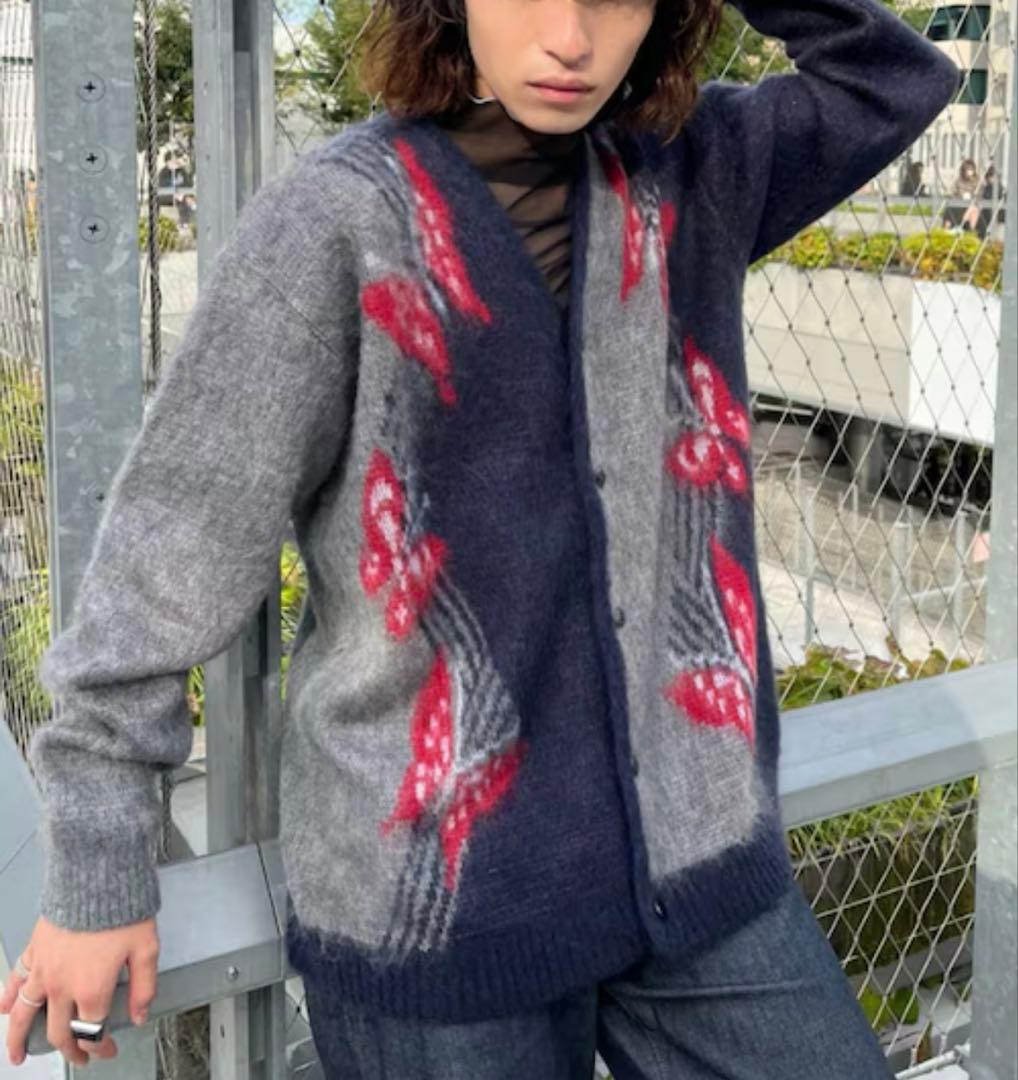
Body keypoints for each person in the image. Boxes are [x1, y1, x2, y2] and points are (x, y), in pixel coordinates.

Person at [2, 0, 960, 1075]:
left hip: (697, 871)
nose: (571, 38)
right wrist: (98, 864)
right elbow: (174, 540)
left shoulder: (700, 173)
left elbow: (892, 80)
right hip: (436, 907)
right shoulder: (335, 221)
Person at [944, 156, 981, 230]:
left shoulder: (977, 180)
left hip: (971, 204)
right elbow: (952, 192)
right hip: (959, 202)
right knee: (950, 207)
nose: (969, 171)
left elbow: (979, 194)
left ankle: (965, 228)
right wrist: (957, 195)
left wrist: (973, 182)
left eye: (971, 169)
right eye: (967, 169)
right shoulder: (958, 180)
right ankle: (946, 229)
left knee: (973, 209)